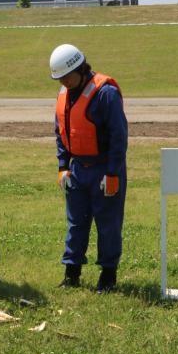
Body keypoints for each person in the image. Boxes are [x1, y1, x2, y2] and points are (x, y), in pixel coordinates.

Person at [50, 44, 128, 294]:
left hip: (104, 168)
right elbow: (61, 133)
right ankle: (72, 273)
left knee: (108, 224)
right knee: (76, 224)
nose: (64, 82)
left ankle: (108, 276)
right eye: (59, 78)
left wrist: (113, 172)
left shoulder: (106, 93)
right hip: (77, 170)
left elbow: (118, 136)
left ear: (81, 69)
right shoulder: (64, 94)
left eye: (67, 77)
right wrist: (63, 166)